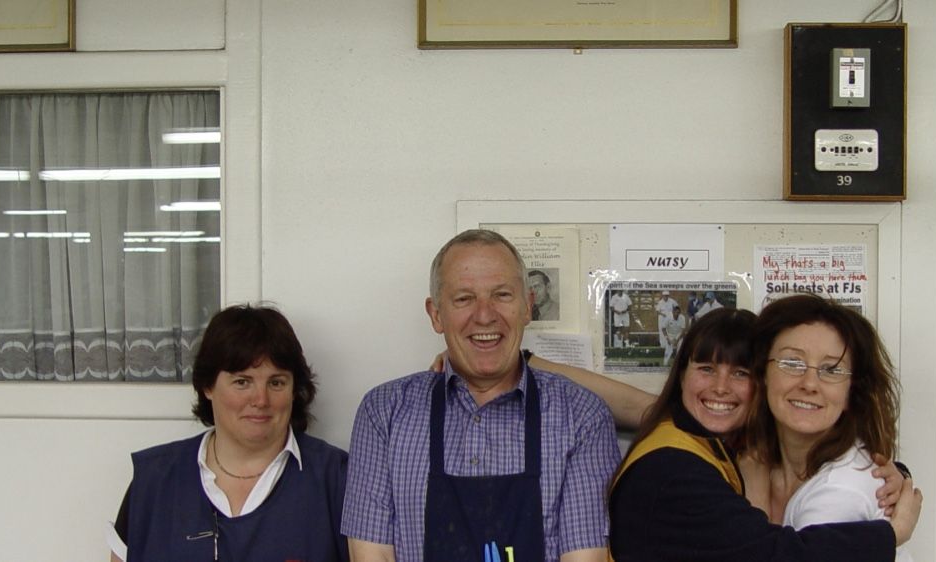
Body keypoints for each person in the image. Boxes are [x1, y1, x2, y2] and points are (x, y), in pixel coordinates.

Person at [534, 308, 919, 561]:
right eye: (705, 368)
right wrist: (889, 534)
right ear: (682, 374)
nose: (720, 388)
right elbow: (774, 555)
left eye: (740, 373)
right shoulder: (673, 471)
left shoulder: (706, 436)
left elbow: (633, 402)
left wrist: (886, 473)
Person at [342, 229, 620, 562]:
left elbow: (584, 557)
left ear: (528, 306)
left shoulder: (582, 416)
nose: (485, 315)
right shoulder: (384, 413)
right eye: (464, 298)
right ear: (436, 314)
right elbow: (373, 556)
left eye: (502, 295)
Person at [107, 304, 348, 562]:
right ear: (207, 386)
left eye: (276, 382)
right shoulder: (154, 481)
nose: (261, 399)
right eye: (242, 382)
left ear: (294, 389)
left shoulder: (336, 480)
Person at [740, 294, 913, 560]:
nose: (810, 383)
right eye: (792, 363)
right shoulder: (757, 457)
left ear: (851, 393)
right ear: (762, 374)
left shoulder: (842, 490)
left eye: (831, 370)